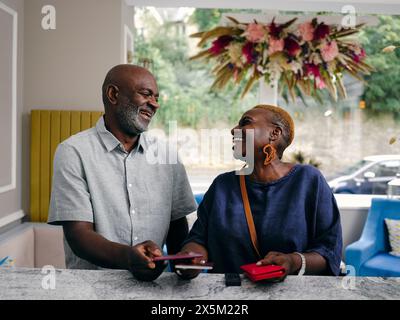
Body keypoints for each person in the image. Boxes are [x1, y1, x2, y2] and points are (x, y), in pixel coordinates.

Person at [48, 64, 197, 281]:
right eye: (146, 94)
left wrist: (185, 264)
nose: (154, 104)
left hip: (153, 291)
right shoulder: (73, 152)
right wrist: (129, 258)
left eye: (156, 97)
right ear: (113, 94)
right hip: (91, 291)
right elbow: (78, 236)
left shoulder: (167, 155)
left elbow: (177, 228)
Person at [177, 105, 343, 279]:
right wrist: (191, 258)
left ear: (275, 134)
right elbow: (198, 239)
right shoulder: (222, 185)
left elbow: (329, 251)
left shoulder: (309, 180)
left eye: (245, 123)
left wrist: (293, 261)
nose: (234, 130)